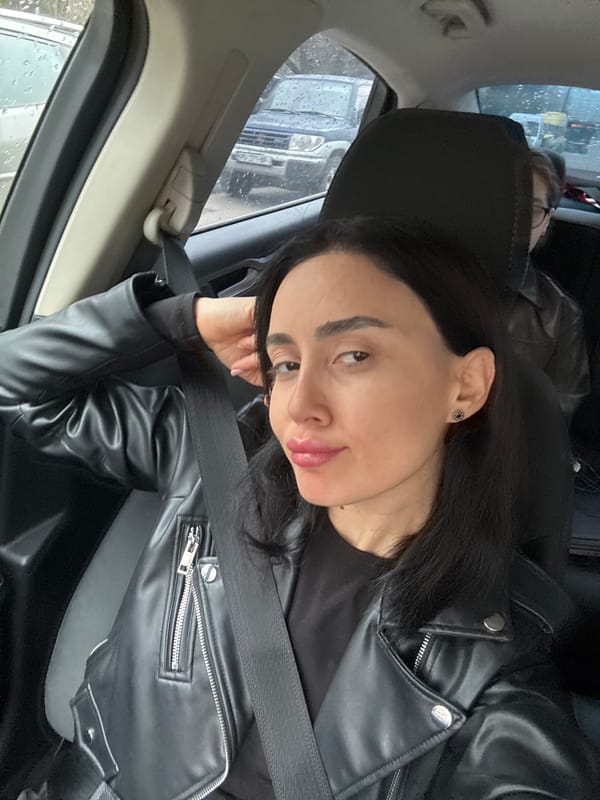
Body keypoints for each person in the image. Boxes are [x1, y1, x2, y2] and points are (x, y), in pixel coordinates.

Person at [7, 218, 598, 800]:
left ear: (465, 387)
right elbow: (18, 386)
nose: (299, 407)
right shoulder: (216, 460)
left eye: (354, 355)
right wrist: (181, 318)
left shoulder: (493, 662)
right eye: (285, 364)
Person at [507, 147, 590, 422]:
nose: (514, 221)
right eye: (507, 203)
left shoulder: (561, 316)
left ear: (546, 224)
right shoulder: (420, 281)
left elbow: (553, 421)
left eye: (530, 210)